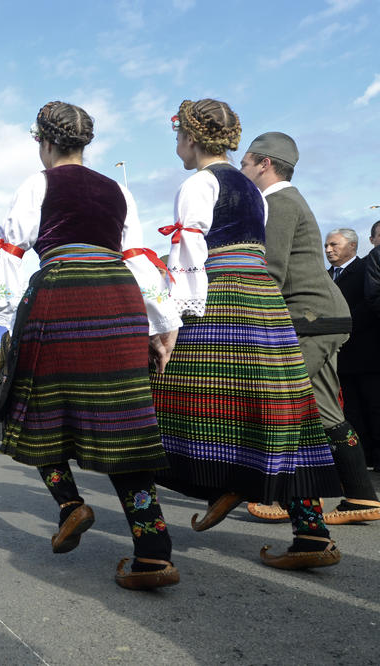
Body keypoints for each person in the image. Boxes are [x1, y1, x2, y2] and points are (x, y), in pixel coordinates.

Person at [0, 101, 183, 589]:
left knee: (34, 409)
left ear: (44, 141)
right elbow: (139, 257)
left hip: (60, 293)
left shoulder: (38, 183)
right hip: (117, 298)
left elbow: (9, 253)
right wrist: (162, 324)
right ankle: (154, 553)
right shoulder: (118, 189)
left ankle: (71, 503)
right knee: (125, 420)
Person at [151, 99, 343, 569]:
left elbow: (188, 257)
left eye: (178, 136)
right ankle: (312, 535)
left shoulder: (199, 183)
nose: (177, 145)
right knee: (280, 405)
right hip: (263, 300)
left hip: (221, 296)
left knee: (171, 393)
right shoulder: (252, 189)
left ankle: (222, 485)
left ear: (192, 139)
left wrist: (172, 320)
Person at [239, 136, 379, 525]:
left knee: (285, 404)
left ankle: (289, 499)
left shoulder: (278, 203)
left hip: (311, 320)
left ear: (264, 163)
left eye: (245, 163)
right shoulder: (286, 200)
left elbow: (270, 272)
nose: (242, 170)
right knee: (324, 409)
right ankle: (360, 497)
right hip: (319, 318)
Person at [331, 228, 380, 475]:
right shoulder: (326, 275)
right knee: (350, 410)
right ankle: (361, 457)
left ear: (352, 245)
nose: (328, 249)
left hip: (367, 352)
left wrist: (344, 326)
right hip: (341, 355)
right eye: (327, 245)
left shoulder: (365, 270)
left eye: (334, 245)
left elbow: (369, 304)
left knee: (374, 406)